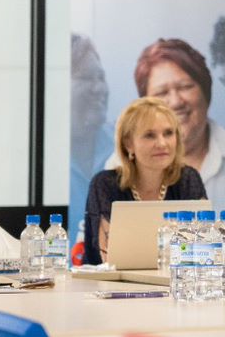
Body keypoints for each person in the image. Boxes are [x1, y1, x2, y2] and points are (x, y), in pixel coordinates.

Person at [84, 97, 206, 266]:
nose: (162, 143)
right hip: (110, 285)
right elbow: (108, 258)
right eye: (150, 135)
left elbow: (202, 249)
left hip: (174, 283)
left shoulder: (188, 179)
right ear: (128, 144)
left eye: (168, 133)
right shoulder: (105, 184)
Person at [125, 38, 225, 209]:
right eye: (162, 93)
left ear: (206, 90)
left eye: (185, 87)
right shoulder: (121, 167)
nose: (176, 102)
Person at [68, 33, 114, 253]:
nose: (100, 89)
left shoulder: (124, 147)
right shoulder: (36, 158)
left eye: (101, 78)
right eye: (87, 79)